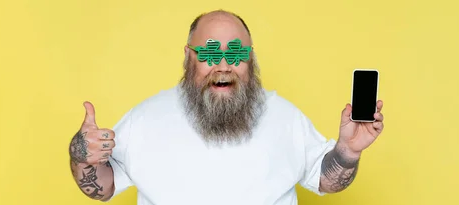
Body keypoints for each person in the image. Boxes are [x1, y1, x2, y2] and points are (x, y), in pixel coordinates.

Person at [68, 9, 385, 205]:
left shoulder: (285, 117)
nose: (223, 64)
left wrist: (348, 151)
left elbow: (325, 180)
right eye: (208, 53)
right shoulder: (145, 119)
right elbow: (103, 188)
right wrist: (82, 155)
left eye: (235, 52)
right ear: (189, 56)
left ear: (250, 58)